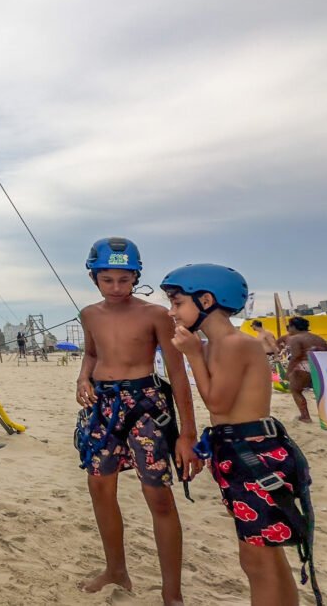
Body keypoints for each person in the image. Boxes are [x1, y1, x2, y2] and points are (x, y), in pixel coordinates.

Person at [161, 264, 322, 606]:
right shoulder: (213, 346)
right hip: (235, 451)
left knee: (257, 559)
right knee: (266, 555)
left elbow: (216, 399)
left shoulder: (235, 344)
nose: (172, 311)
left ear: (205, 300)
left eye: (177, 303)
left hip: (253, 455)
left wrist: (191, 354)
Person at [74, 237, 201, 604]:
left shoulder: (155, 315)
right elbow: (91, 353)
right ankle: (116, 570)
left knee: (158, 495)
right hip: (103, 405)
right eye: (107, 279)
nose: (116, 287)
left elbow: (177, 375)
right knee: (99, 487)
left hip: (146, 405)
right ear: (94, 277)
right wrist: (84, 378)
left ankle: (171, 592)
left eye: (124, 279)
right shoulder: (90, 314)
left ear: (136, 277)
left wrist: (187, 433)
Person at [277, 317, 327, 423]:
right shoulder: (318, 338)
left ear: (293, 327)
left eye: (289, 327)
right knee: (321, 392)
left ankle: (305, 416)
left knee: (295, 390)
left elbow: (296, 356)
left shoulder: (296, 338)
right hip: (321, 366)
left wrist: (289, 371)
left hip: (305, 365)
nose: (288, 329)